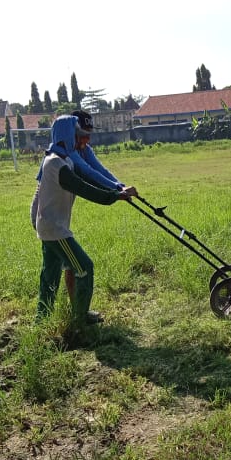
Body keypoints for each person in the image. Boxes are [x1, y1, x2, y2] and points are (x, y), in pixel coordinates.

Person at [31, 114, 137, 324]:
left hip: (50, 226)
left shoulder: (64, 159)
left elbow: (94, 171)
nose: (81, 140)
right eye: (77, 135)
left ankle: (42, 319)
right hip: (54, 229)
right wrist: (116, 195)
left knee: (50, 274)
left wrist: (118, 187)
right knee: (84, 267)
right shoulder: (55, 164)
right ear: (67, 135)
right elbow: (83, 187)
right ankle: (80, 319)